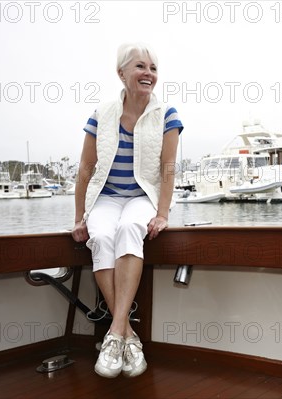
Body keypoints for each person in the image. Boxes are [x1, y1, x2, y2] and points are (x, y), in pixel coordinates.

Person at [71, 43, 183, 378]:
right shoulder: (100, 114)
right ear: (121, 73)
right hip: (104, 196)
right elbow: (86, 168)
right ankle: (127, 335)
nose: (148, 73)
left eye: (153, 68)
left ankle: (113, 334)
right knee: (101, 233)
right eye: (140, 67)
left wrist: (162, 214)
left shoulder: (168, 115)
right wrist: (79, 218)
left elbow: (167, 168)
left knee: (129, 229)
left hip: (142, 196)